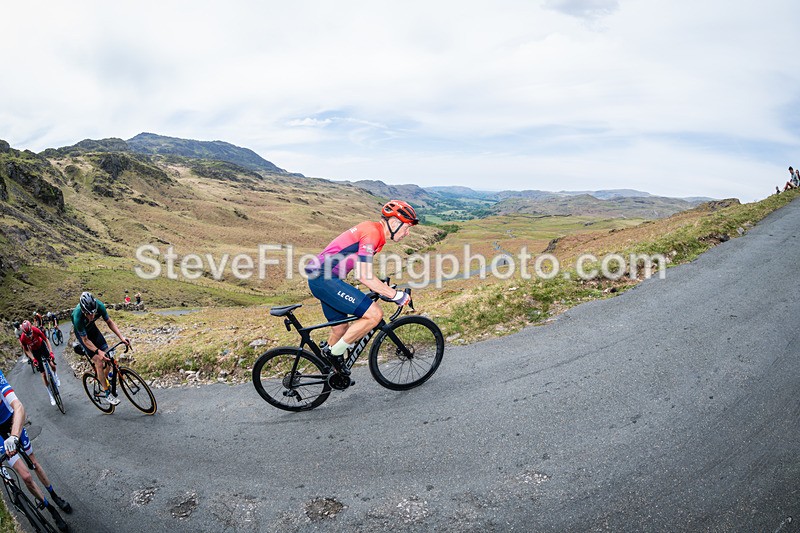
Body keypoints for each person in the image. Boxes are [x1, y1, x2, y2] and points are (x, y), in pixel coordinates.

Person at [305, 200, 418, 375]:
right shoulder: (372, 233)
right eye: (407, 227)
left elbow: (359, 267)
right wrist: (396, 295)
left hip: (321, 278)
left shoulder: (373, 231)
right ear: (395, 222)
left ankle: (330, 372)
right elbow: (363, 275)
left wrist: (381, 286)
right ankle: (333, 353)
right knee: (375, 314)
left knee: (340, 329)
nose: (408, 233)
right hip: (323, 278)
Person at [0, 370, 71, 531]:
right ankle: (50, 509)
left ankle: (54, 495)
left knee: (34, 464)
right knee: (25, 476)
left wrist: (14, 435)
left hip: (12, 422)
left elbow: (18, 406)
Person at [72, 292, 130, 405]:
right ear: (83, 311)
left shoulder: (99, 305)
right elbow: (85, 340)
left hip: (93, 330)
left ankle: (105, 378)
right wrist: (98, 352)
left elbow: (109, 322)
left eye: (93, 313)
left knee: (108, 356)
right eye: (89, 314)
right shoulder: (77, 317)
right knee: (99, 360)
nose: (92, 316)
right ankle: (107, 393)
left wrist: (121, 337)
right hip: (83, 335)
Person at [18, 321, 62, 406]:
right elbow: (26, 350)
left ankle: (55, 376)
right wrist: (33, 359)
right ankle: (50, 395)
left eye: (30, 333)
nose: (30, 336)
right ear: (24, 333)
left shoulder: (36, 330)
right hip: (35, 352)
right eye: (27, 334)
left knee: (52, 364)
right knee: (43, 374)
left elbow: (46, 340)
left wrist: (51, 352)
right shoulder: (23, 338)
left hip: (42, 346)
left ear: (31, 329)